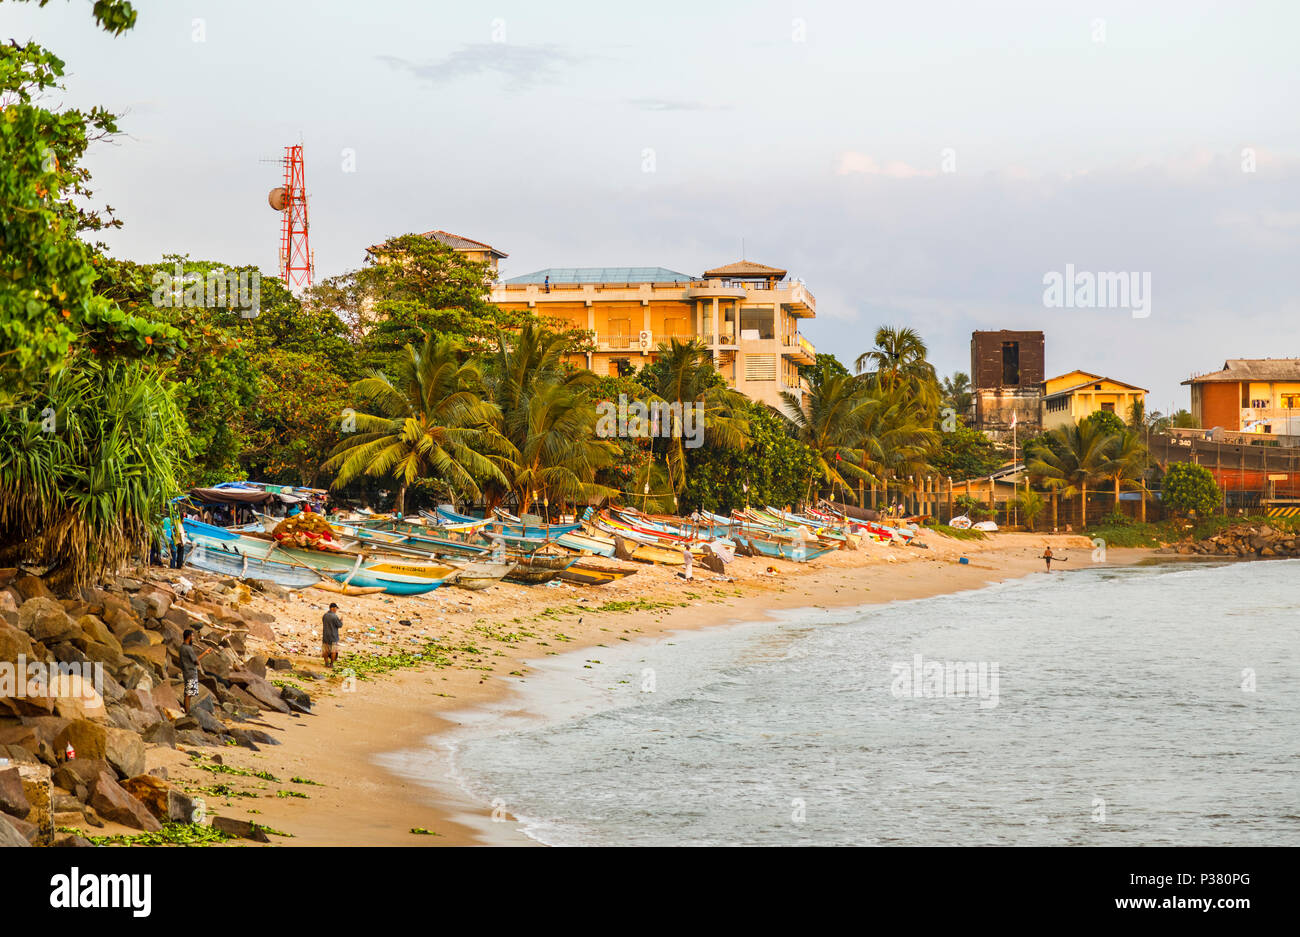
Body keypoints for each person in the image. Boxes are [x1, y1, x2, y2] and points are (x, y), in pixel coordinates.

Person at [179, 629, 212, 713]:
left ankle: (187, 711)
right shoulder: (188, 648)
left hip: (186, 672)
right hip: (190, 673)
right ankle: (187, 712)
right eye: (192, 636)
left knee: (188, 693)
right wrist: (205, 653)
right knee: (188, 694)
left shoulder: (182, 647)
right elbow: (196, 661)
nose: (193, 637)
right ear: (189, 636)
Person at [322, 603, 343, 668]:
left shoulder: (325, 615)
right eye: (336, 608)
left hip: (325, 635)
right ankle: (331, 664)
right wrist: (341, 621)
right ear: (332, 608)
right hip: (333, 636)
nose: (336, 610)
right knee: (333, 651)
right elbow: (339, 625)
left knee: (325, 650)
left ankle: (326, 663)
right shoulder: (334, 616)